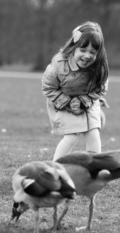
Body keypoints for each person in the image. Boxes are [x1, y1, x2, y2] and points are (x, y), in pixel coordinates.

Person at [41, 21, 109, 161]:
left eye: (92, 52)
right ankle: (55, 168)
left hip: (88, 100)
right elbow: (48, 87)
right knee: (72, 136)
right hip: (63, 101)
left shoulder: (99, 67)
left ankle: (94, 170)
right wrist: (67, 102)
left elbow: (101, 88)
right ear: (73, 48)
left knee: (93, 133)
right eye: (83, 50)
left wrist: (85, 101)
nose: (87, 56)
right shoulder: (58, 65)